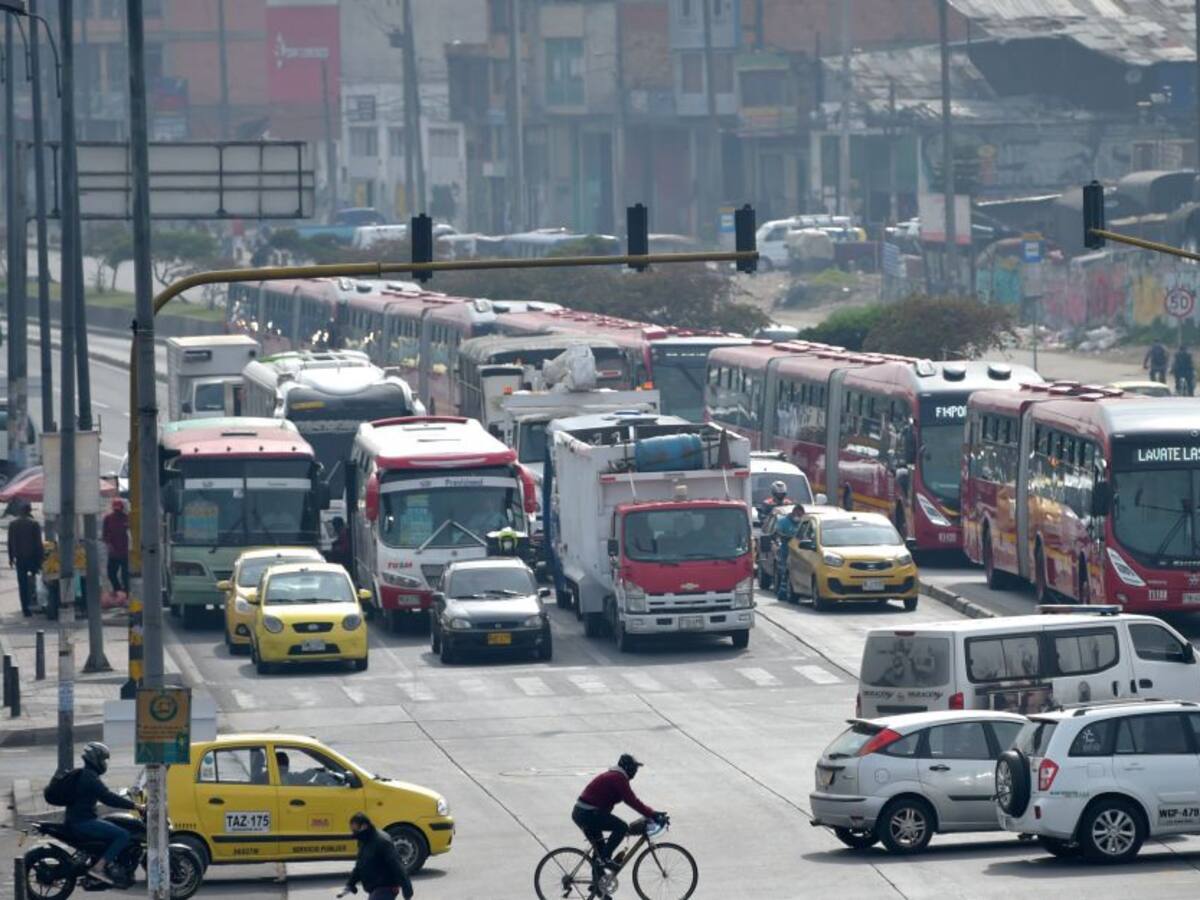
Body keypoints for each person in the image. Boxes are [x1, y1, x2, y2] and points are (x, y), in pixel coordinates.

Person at [572, 754, 662, 875]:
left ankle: (597, 886)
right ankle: (606, 859)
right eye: (634, 768)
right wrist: (652, 814)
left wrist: (651, 813)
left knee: (600, 849)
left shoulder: (615, 776)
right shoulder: (618, 778)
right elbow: (631, 800)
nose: (635, 771)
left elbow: (630, 800)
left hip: (584, 813)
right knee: (621, 827)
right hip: (588, 813)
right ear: (627, 768)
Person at [64, 742, 140, 885]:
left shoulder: (85, 774)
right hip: (82, 822)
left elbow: (105, 796)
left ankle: (101, 862)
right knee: (123, 834)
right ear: (94, 758)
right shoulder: (90, 778)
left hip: (78, 820)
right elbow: (108, 797)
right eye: (103, 759)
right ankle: (98, 868)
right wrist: (135, 806)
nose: (104, 763)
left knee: (111, 824)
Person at [338, 811, 414, 900]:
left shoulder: (382, 842)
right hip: (375, 887)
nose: (353, 832)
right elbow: (360, 865)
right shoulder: (363, 840)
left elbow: (397, 866)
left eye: (355, 829)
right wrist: (350, 885)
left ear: (364, 826)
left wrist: (407, 890)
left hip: (387, 886)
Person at [7, 500, 42, 617]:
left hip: (19, 558)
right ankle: (33, 604)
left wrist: (11, 558)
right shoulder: (34, 524)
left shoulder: (13, 524)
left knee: (22, 584)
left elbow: (10, 543)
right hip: (32, 558)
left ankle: (25, 608)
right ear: (30, 511)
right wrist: (40, 560)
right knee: (33, 582)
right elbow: (38, 544)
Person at [774, 504, 805, 600]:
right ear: (793, 512)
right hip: (786, 550)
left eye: (801, 515)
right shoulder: (783, 521)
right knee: (785, 572)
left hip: (800, 552)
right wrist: (787, 537)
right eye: (797, 515)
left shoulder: (803, 523)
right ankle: (782, 594)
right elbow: (778, 533)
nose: (798, 517)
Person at [101, 498, 130, 596]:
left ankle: (126, 593)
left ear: (122, 508)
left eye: (119, 508)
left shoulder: (127, 518)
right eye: (116, 508)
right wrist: (108, 545)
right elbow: (105, 535)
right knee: (111, 574)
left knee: (125, 575)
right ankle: (118, 590)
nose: (117, 510)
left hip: (125, 552)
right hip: (113, 552)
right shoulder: (108, 519)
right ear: (113, 508)